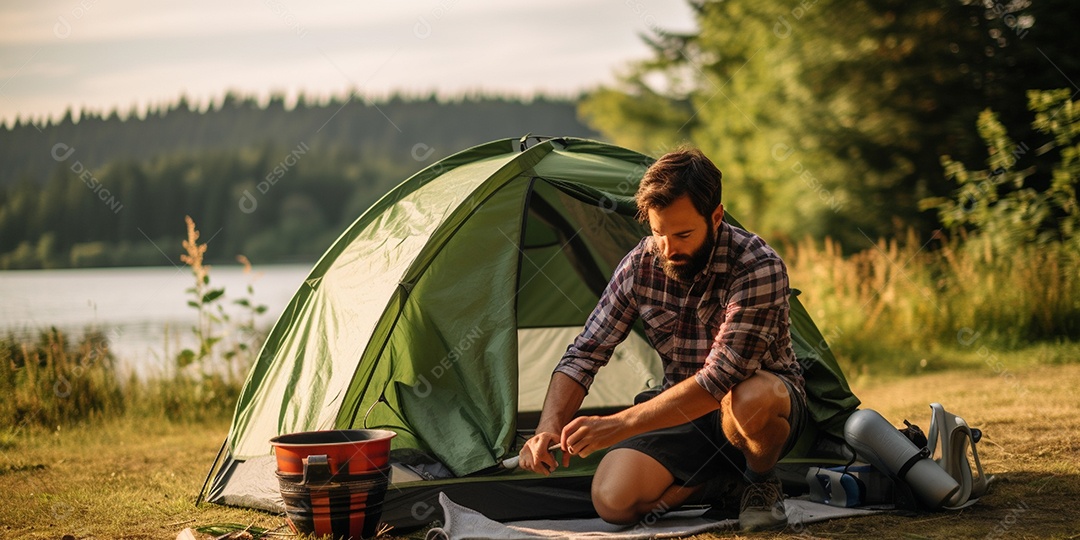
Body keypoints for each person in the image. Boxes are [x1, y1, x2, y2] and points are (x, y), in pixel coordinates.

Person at [517, 148, 806, 532]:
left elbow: (719, 379)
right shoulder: (641, 264)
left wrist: (618, 425)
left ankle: (760, 482)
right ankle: (715, 484)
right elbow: (585, 353)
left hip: (755, 404)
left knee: (750, 398)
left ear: (715, 217)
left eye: (683, 234)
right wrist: (548, 426)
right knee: (612, 502)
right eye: (658, 232)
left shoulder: (757, 266)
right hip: (680, 410)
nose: (669, 249)